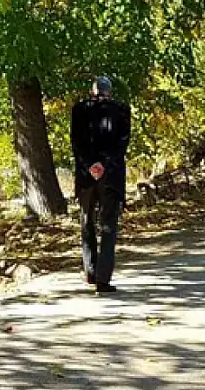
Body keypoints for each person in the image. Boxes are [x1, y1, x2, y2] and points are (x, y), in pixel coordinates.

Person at [70, 76, 131, 294]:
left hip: (86, 177)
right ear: (110, 92)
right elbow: (122, 144)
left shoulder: (79, 110)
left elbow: (76, 142)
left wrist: (90, 165)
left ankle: (90, 270)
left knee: (87, 223)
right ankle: (103, 279)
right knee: (108, 227)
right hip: (111, 177)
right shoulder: (122, 110)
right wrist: (104, 165)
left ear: (92, 91)